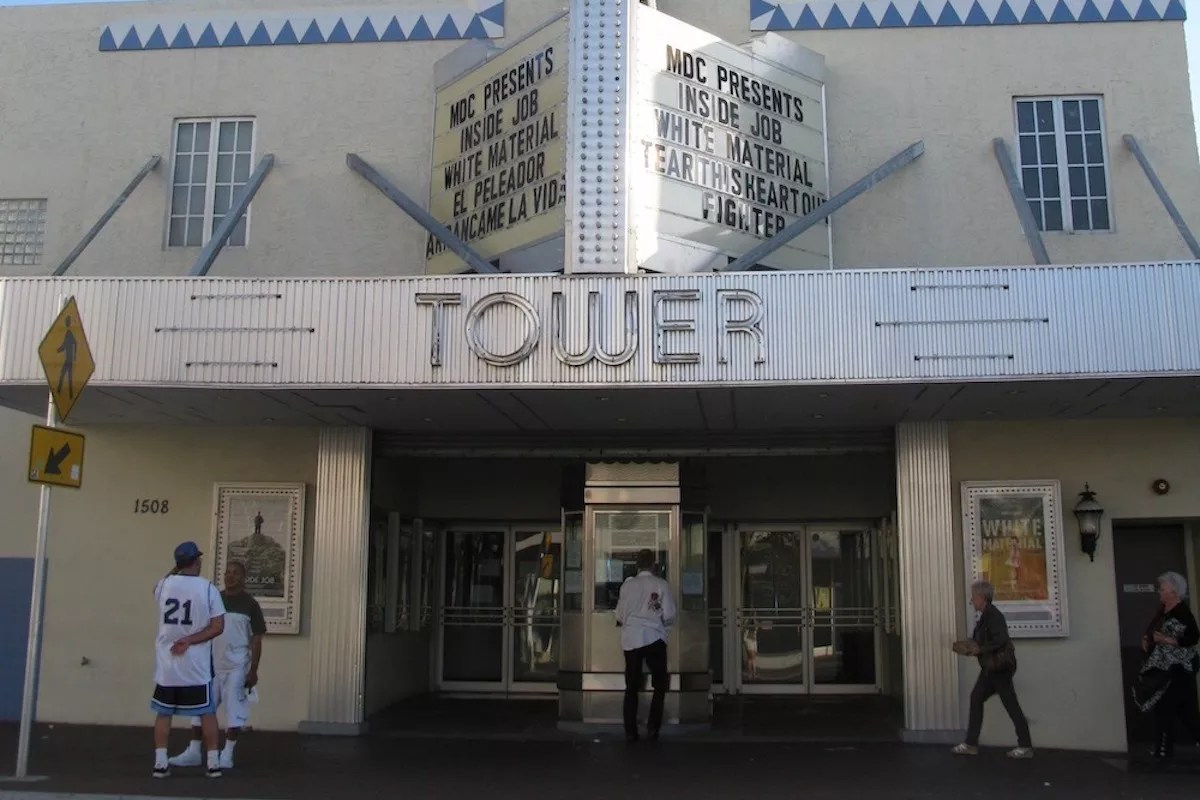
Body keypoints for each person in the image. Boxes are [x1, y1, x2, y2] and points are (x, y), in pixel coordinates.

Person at [169, 560, 267, 770]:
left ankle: (227, 753)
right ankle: (194, 751)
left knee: (234, 710)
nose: (230, 576)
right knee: (200, 708)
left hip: (237, 665)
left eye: (235, 573)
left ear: (243, 577)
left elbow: (257, 639)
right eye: (227, 572)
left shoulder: (250, 604)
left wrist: (253, 670)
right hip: (211, 665)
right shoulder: (214, 599)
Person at [150, 541, 225, 779]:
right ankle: (213, 762)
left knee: (164, 713)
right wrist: (190, 640)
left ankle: (160, 762)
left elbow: (156, 589)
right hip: (196, 664)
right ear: (197, 561)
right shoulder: (208, 588)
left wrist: (175, 569)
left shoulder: (164, 585)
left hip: (168, 662)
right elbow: (217, 626)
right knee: (207, 712)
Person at [952, 580, 1034, 759]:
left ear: (982, 597)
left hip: (999, 668)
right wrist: (970, 646)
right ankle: (971, 744)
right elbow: (985, 639)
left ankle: (1025, 745)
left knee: (1010, 704)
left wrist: (980, 649)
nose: (971, 601)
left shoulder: (993, 616)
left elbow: (1000, 639)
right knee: (976, 698)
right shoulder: (986, 616)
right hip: (991, 668)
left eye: (973, 597)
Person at [1133, 571, 1200, 762]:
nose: (1159, 592)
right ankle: (1163, 748)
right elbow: (1153, 629)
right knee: (1168, 707)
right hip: (1165, 667)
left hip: (1178, 668)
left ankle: (1165, 748)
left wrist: (1167, 640)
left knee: (1180, 709)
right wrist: (1147, 638)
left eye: (1162, 589)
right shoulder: (1163, 610)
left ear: (1174, 592)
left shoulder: (1182, 612)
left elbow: (1193, 637)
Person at [615, 549, 676, 743]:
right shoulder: (661, 584)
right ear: (653, 564)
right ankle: (653, 727)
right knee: (659, 685)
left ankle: (630, 730)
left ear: (637, 565)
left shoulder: (627, 586)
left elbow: (620, 615)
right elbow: (669, 615)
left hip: (632, 639)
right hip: (655, 637)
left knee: (631, 686)